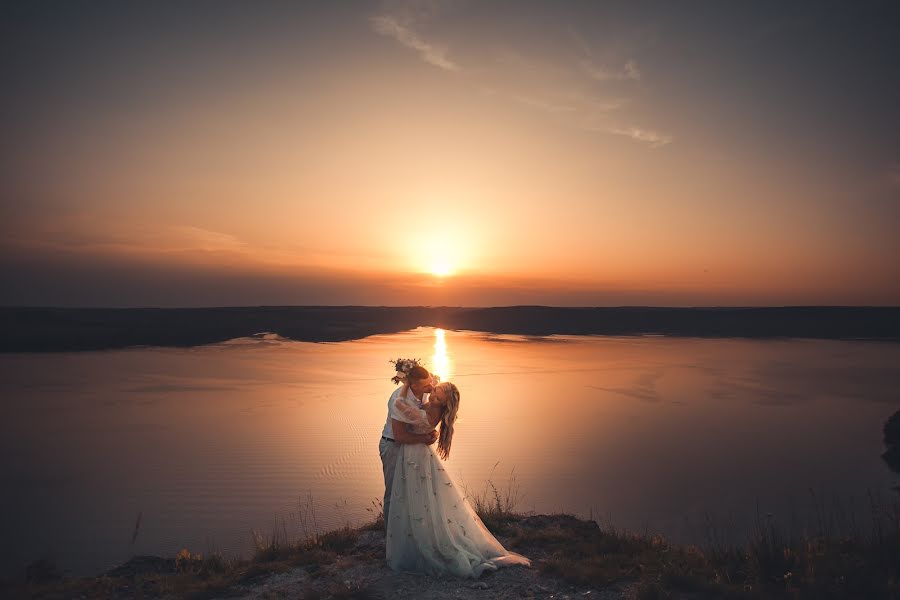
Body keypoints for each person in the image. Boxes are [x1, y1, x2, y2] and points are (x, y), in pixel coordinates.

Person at [386, 379, 531, 578]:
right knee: (422, 499)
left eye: (437, 396)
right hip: (415, 454)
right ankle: (413, 536)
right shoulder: (434, 405)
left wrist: (407, 382)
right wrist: (428, 381)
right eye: (435, 391)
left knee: (417, 498)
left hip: (414, 456)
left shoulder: (427, 413)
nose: (433, 395)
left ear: (443, 402)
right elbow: (434, 383)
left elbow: (400, 405)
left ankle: (419, 542)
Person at [379, 365, 438, 527]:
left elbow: (423, 420)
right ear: (414, 386)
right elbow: (400, 436)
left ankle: (410, 528)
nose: (431, 387)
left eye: (430, 382)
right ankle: (390, 532)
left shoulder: (424, 394)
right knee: (393, 491)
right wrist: (424, 438)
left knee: (412, 489)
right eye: (427, 385)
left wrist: (433, 433)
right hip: (392, 446)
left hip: (411, 447)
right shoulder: (399, 400)